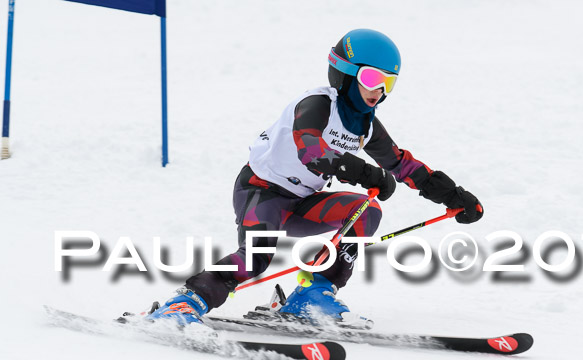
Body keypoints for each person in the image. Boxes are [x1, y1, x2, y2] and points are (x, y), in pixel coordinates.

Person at [147, 29, 483, 327]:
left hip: (302, 203)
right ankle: (185, 302)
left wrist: (453, 196)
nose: (378, 90)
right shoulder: (317, 104)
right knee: (256, 258)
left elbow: (403, 165)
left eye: (388, 82)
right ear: (346, 74)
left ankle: (313, 293)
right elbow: (310, 150)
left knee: (366, 213)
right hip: (262, 192)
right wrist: (363, 172)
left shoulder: (366, 125)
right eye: (370, 79)